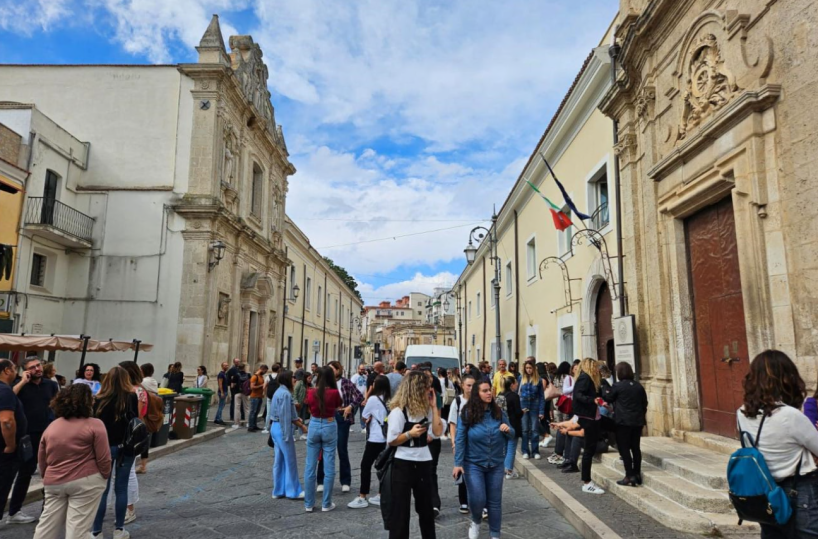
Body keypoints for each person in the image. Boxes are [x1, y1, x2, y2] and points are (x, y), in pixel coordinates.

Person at [737, 350, 818, 538]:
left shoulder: (741, 413)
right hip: (799, 491)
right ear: (786, 379)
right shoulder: (790, 416)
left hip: (766, 492)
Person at [32, 384, 111, 539]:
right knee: (78, 529)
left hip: (54, 481)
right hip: (86, 479)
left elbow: (42, 458)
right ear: (88, 402)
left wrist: (46, 476)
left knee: (46, 526)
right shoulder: (95, 424)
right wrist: (104, 476)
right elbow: (104, 458)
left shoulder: (52, 427)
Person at [452, 379, 515, 539]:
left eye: (490, 390)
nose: (489, 393)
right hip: (473, 463)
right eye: (485, 391)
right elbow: (460, 438)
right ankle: (475, 520)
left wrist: (508, 430)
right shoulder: (467, 412)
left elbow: (513, 435)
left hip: (495, 464)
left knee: (494, 502)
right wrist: (458, 463)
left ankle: (495, 534)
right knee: (478, 498)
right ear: (476, 394)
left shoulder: (499, 412)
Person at [385, 370, 443, 539]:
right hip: (403, 463)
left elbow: (438, 432)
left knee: (426, 509)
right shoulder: (398, 412)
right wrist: (410, 434)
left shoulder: (426, 410)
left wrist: (434, 407)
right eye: (426, 387)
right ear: (417, 389)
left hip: (424, 462)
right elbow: (391, 440)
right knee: (400, 511)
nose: (429, 390)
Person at [8, 355, 60, 525]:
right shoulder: (19, 385)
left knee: (50, 471)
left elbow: (57, 405)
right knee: (25, 472)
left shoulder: (51, 384)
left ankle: (49, 509)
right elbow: (9, 397)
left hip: (48, 433)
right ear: (25, 371)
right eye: (32, 367)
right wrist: (22, 382)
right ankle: (14, 511)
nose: (37, 369)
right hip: (27, 435)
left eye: (38, 365)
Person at [92, 365, 140, 539]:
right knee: (121, 489)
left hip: (103, 448)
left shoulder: (98, 399)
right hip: (125, 447)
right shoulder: (131, 397)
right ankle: (119, 530)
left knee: (102, 491)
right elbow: (135, 421)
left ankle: (96, 531)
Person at [317, 361, 363, 493]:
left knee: (342, 449)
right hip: (326, 417)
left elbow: (359, 396)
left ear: (338, 370)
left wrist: (350, 406)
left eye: (333, 369)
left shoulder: (346, 382)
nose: (331, 372)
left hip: (342, 417)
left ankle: (345, 481)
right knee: (324, 448)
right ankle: (321, 480)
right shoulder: (323, 384)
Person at [348, 374, 391, 509]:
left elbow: (364, 416)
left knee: (365, 466)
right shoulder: (390, 399)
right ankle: (380, 494)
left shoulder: (372, 399)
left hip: (374, 438)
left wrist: (368, 396)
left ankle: (362, 496)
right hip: (386, 438)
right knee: (383, 467)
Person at [601, 362, 648, 486]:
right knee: (635, 448)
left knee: (624, 448)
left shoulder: (618, 386)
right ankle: (637, 473)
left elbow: (608, 398)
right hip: (637, 421)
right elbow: (644, 403)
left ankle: (629, 475)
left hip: (623, 422)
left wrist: (604, 389)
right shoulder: (638, 386)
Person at [303, 367, 341, 512]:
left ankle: (309, 504)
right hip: (329, 424)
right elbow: (338, 405)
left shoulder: (311, 392)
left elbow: (308, 406)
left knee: (310, 466)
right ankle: (326, 503)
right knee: (329, 466)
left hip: (313, 424)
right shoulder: (334, 392)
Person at [118, 361, 148, 525]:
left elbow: (136, 416)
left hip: (129, 437)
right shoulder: (125, 390)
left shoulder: (137, 391)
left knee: (128, 473)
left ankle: (129, 509)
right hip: (119, 436)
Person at [270, 370, 307, 500]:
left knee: (279, 460)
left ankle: (278, 490)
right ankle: (293, 491)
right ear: (287, 379)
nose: (295, 379)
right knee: (290, 460)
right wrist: (288, 434)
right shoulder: (285, 394)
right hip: (282, 428)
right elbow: (285, 416)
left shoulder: (279, 392)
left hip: (275, 426)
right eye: (293, 377)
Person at [0, 359, 27, 525]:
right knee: (2, 486)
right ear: (7, 371)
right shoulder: (4, 391)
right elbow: (6, 421)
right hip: (4, 450)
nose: (16, 371)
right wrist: (10, 445)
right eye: (14, 368)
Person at [572, 358, 604, 495]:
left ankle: (587, 480)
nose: (598, 369)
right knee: (589, 450)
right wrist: (593, 400)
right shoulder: (585, 378)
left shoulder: (588, 379)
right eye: (595, 367)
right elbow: (578, 395)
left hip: (591, 416)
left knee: (589, 448)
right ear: (590, 366)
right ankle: (587, 482)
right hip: (587, 417)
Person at [448, 374, 475, 514]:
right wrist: (454, 443)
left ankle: (479, 502)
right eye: (468, 385)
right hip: (461, 441)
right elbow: (453, 424)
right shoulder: (458, 401)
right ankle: (463, 501)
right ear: (463, 386)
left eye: (473, 385)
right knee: (462, 470)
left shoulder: (479, 401)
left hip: (476, 442)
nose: (470, 388)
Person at [547, 361, 573, 464]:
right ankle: (564, 450)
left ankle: (558, 450)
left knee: (559, 426)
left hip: (557, 403)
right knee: (565, 426)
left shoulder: (556, 377)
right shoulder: (568, 377)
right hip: (565, 403)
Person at [519, 361, 545, 460]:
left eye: (530, 368)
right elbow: (518, 394)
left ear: (533, 369)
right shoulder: (521, 379)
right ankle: (525, 450)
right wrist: (518, 409)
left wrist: (541, 411)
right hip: (523, 404)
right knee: (525, 429)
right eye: (527, 368)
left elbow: (542, 396)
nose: (529, 370)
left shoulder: (538, 380)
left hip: (535, 405)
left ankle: (535, 451)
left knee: (535, 429)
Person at [136, 363, 158, 474]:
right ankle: (143, 465)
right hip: (151, 413)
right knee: (146, 439)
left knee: (142, 439)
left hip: (144, 413)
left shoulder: (144, 382)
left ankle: (142, 466)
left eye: (140, 370)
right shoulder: (153, 381)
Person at [248, 364, 268, 432]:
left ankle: (254, 425)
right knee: (253, 411)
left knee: (256, 412)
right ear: (262, 369)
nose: (265, 372)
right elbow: (252, 387)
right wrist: (261, 385)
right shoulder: (254, 377)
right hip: (254, 397)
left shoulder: (261, 376)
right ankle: (250, 426)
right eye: (265, 371)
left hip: (259, 396)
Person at [231, 363, 250, 429]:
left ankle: (236, 423)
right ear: (244, 368)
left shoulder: (236, 375)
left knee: (237, 408)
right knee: (246, 408)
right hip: (245, 393)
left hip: (237, 392)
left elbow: (232, 385)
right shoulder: (248, 375)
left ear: (238, 368)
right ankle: (248, 422)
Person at [350, 364, 369, 432]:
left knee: (363, 413)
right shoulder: (354, 377)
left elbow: (366, 388)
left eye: (363, 369)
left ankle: (363, 427)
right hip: (356, 398)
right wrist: (354, 396)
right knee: (353, 412)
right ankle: (348, 425)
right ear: (358, 369)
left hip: (363, 398)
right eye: (361, 369)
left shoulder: (365, 377)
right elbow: (352, 387)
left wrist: (366, 398)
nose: (362, 370)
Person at [263, 364, 281, 434]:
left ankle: (267, 428)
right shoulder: (279, 377)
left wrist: (265, 394)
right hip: (277, 396)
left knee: (268, 413)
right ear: (278, 369)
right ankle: (277, 426)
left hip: (269, 396)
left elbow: (264, 387)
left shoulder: (268, 377)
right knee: (278, 412)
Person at [225, 357, 242, 423]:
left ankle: (237, 416)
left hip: (239, 388)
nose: (238, 363)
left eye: (238, 361)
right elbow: (228, 378)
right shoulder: (232, 370)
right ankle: (232, 416)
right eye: (236, 362)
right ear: (234, 362)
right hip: (234, 389)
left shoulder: (239, 369)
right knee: (233, 402)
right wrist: (231, 383)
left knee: (238, 403)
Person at [293, 370, 309, 440]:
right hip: (298, 404)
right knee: (295, 419)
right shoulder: (299, 383)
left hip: (303, 404)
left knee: (302, 419)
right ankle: (293, 435)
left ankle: (301, 434)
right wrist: (296, 402)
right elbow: (295, 393)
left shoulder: (305, 384)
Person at [214, 361, 230, 425]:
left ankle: (217, 418)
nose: (226, 366)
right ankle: (218, 419)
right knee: (221, 406)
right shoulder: (221, 374)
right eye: (225, 365)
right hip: (222, 392)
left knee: (222, 405)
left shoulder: (225, 374)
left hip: (225, 391)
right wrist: (222, 392)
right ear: (222, 366)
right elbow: (220, 384)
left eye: (227, 365)